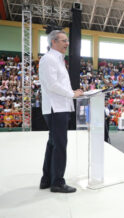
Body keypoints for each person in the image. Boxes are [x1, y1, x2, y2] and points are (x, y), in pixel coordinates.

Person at [39, 30, 83, 193]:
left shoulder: (57, 60)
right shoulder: (49, 59)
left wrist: (73, 92)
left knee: (53, 144)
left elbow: (58, 85)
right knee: (60, 145)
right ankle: (57, 182)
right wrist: (72, 94)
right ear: (53, 42)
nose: (67, 44)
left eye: (67, 41)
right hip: (55, 108)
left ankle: (47, 179)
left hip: (59, 107)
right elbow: (52, 85)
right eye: (64, 41)